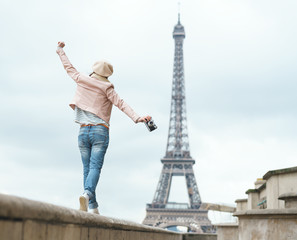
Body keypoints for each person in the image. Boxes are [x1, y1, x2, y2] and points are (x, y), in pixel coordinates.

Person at [56, 41, 151, 214]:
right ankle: (88, 196)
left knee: (87, 168)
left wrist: (60, 50)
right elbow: (122, 104)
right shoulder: (107, 87)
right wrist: (138, 118)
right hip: (100, 131)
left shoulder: (81, 79)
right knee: (95, 168)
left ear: (93, 71)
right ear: (107, 75)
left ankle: (92, 206)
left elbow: (68, 67)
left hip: (83, 131)